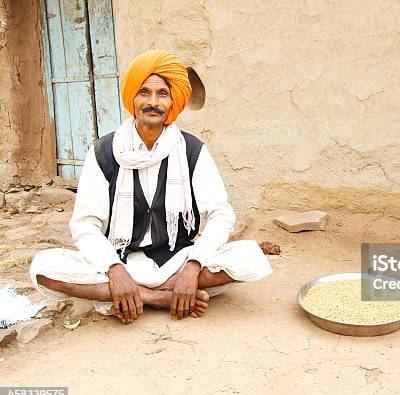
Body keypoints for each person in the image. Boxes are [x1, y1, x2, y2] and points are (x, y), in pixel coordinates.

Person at [29, 50, 272, 323]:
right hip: (120, 261)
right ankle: (157, 297)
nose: (153, 102)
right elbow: (85, 225)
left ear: (172, 103)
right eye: (144, 92)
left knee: (250, 257)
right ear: (132, 99)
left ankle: (140, 294)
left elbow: (221, 214)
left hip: (177, 260)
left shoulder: (191, 150)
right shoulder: (105, 152)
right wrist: (115, 270)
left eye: (162, 94)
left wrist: (192, 268)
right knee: (43, 269)